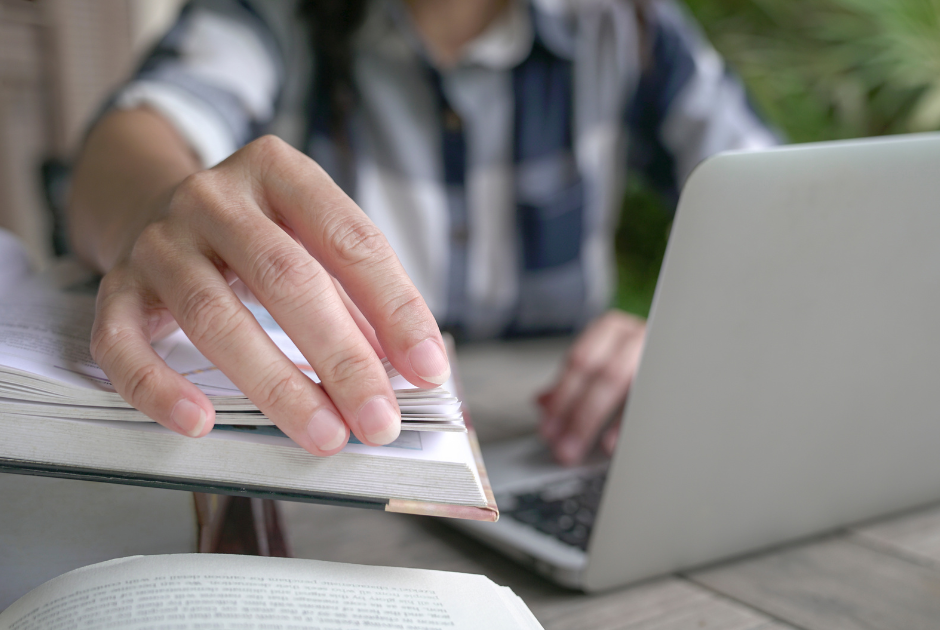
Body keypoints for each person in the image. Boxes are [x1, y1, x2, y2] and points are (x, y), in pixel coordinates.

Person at [68, 0, 776, 466]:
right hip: (326, 469)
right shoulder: (269, 18)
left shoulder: (629, 26)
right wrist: (159, 215)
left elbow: (786, 211)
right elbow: (132, 139)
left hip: (561, 446)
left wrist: (694, 337)